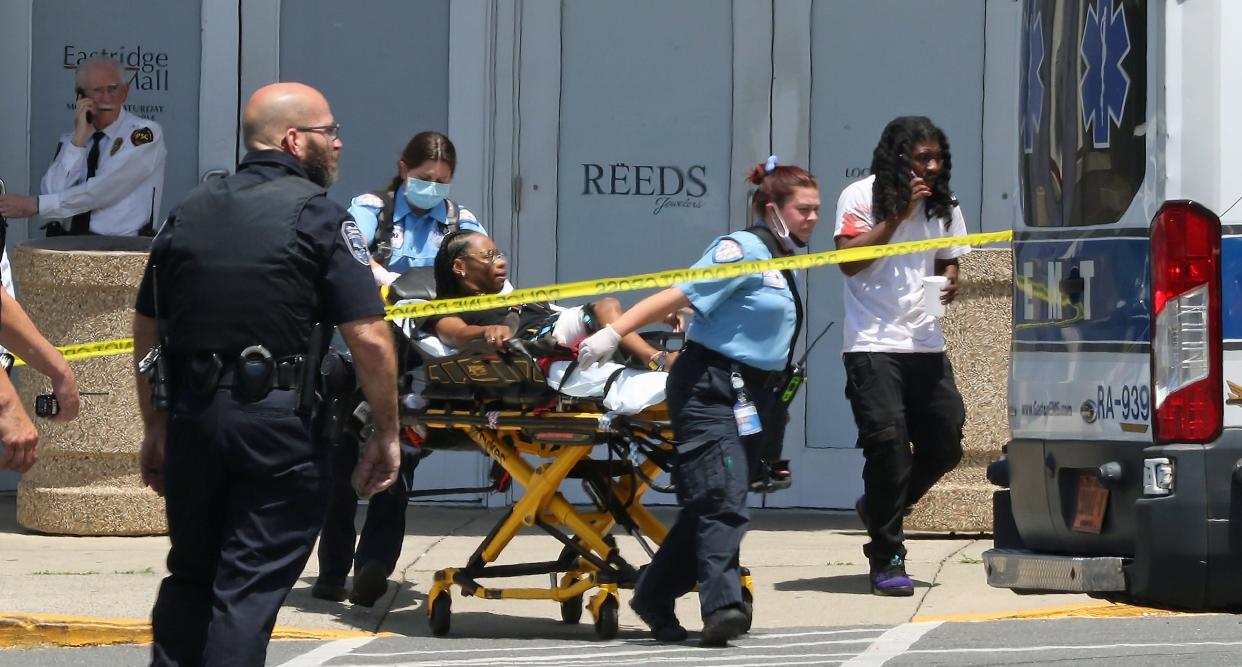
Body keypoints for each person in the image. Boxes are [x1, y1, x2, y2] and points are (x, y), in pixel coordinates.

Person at [134, 82, 401, 666]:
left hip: (194, 422)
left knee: (191, 577)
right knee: (247, 589)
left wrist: (155, 424)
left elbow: (147, 323)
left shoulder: (190, 209)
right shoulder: (322, 217)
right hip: (275, 430)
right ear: (293, 138)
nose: (338, 143)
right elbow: (370, 339)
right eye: (329, 131)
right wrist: (386, 431)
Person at [578, 157, 819, 647]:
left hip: (754, 394)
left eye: (817, 210)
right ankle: (723, 606)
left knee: (709, 504)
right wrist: (612, 334)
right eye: (804, 210)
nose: (813, 219)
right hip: (710, 389)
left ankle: (652, 593)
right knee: (722, 500)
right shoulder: (740, 249)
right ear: (772, 209)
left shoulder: (780, 255)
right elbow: (674, 294)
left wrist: (694, 313)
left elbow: (711, 305)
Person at [311, 131, 488, 608]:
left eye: (442, 180)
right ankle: (331, 572)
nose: (432, 186)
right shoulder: (373, 208)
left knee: (398, 462)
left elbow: (484, 268)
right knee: (341, 462)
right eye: (424, 177)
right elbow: (350, 255)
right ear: (403, 168)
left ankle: (374, 566)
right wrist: (391, 280)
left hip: (418, 361)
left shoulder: (459, 221)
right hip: (359, 351)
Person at [833, 116, 969, 597]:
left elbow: (947, 257)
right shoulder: (859, 197)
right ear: (897, 158)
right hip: (872, 343)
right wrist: (895, 217)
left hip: (925, 342)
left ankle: (879, 507)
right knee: (888, 447)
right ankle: (887, 552)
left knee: (946, 443)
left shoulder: (945, 206)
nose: (931, 167)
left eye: (937, 157)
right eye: (921, 158)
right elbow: (848, 262)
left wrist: (951, 278)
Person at [424, 230, 675, 367]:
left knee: (607, 315)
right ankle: (656, 360)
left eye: (499, 255)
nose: (500, 262)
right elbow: (453, 334)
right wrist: (484, 331)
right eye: (489, 256)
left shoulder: (507, 298)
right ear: (459, 267)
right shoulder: (447, 307)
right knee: (606, 306)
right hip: (539, 340)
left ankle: (662, 356)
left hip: (556, 325)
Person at [0, 56, 167, 236]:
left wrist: (36, 205)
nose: (107, 98)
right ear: (80, 96)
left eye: (113, 89)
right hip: (72, 247)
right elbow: (51, 191)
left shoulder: (143, 134)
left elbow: (104, 189)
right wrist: (78, 141)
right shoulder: (72, 139)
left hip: (123, 252)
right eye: (97, 91)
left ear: (124, 92)